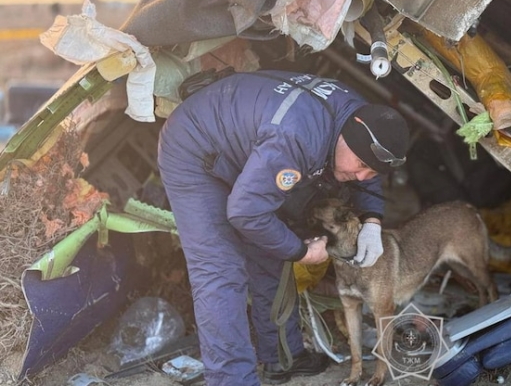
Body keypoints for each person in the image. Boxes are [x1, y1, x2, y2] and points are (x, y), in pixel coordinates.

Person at [157, 70, 410, 386]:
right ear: (347, 138)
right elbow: (246, 213)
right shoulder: (297, 139)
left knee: (268, 251)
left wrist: (372, 219)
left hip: (245, 143)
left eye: (370, 171)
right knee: (220, 269)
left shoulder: (360, 117)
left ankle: (282, 358)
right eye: (360, 166)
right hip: (194, 148)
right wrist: (302, 251)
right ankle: (232, 380)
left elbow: (366, 174)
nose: (361, 177)